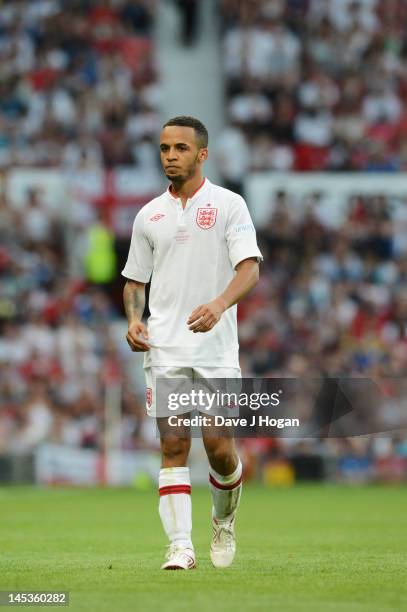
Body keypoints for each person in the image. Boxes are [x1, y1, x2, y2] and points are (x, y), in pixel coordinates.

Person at [122, 116, 262, 570]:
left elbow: (250, 269)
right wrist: (134, 319)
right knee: (173, 445)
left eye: (180, 148)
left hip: (216, 350)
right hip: (165, 349)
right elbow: (134, 281)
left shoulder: (229, 205)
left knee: (219, 448)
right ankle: (180, 546)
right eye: (164, 148)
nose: (170, 156)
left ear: (202, 154)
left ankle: (223, 520)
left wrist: (220, 304)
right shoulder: (149, 215)